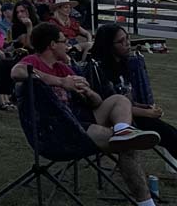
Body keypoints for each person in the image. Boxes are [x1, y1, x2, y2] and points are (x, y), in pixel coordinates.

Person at [12, 23, 160, 206]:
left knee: (120, 100)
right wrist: (61, 82)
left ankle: (123, 130)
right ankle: (146, 204)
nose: (68, 45)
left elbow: (96, 103)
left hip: (77, 119)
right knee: (127, 147)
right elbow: (17, 72)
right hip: (57, 131)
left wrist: (88, 92)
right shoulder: (33, 61)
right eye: (64, 41)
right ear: (52, 45)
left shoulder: (62, 67)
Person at [86, 24, 177, 166]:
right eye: (121, 41)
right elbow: (112, 105)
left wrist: (146, 108)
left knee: (171, 133)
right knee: (169, 135)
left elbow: (128, 99)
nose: (127, 44)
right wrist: (147, 113)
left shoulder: (123, 65)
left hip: (133, 115)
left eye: (127, 38)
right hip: (116, 122)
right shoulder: (99, 70)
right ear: (108, 45)